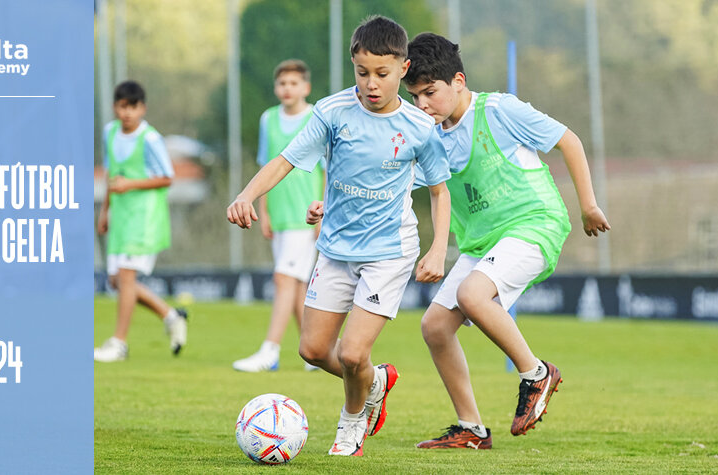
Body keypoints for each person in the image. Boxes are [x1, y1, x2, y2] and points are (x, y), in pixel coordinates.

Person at [227, 16, 451, 456]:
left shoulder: (420, 127)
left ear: (403, 68)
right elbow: (286, 160)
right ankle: (375, 382)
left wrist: (438, 248)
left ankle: (351, 424)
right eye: (362, 72)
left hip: (389, 251)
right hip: (335, 247)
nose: (371, 83)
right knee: (312, 350)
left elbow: (440, 192)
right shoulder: (331, 112)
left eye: (382, 73)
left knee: (351, 353)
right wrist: (247, 195)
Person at [402, 33, 611, 449]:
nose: (422, 104)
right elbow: (395, 181)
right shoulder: (429, 136)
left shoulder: (499, 110)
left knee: (472, 295)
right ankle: (471, 429)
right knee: (435, 327)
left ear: (458, 81)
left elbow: (569, 141)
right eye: (414, 96)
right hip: (483, 243)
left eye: (430, 92)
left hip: (536, 224)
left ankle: (537, 374)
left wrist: (588, 205)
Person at [233, 59, 324, 373]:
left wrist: (323, 213)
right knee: (295, 286)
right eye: (282, 83)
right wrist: (264, 211)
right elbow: (267, 165)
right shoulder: (268, 119)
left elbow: (326, 169)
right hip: (280, 215)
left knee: (284, 279)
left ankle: (270, 351)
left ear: (305, 87)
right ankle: (314, 353)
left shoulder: (316, 117)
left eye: (294, 83)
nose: (287, 89)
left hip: (305, 216)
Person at [95, 80, 188, 363]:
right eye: (122, 106)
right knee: (117, 282)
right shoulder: (110, 133)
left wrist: (131, 184)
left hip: (144, 217)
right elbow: (112, 176)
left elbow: (167, 178)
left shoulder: (150, 139)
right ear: (115, 107)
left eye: (133, 107)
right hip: (121, 217)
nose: (127, 113)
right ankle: (170, 316)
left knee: (125, 277)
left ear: (142, 108)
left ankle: (119, 344)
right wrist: (105, 211)